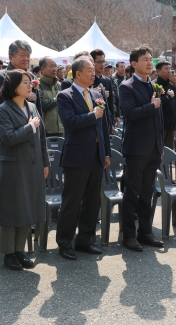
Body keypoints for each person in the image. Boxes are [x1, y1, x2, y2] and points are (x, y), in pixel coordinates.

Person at [55, 56, 110, 260]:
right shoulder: (65, 96)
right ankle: (65, 242)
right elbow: (69, 122)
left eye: (93, 69)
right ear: (78, 73)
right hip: (77, 155)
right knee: (72, 201)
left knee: (92, 201)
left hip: (96, 155)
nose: (94, 72)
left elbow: (103, 125)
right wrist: (91, 115)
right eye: (89, 69)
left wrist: (106, 152)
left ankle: (85, 239)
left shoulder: (97, 93)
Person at [0, 69, 48, 270]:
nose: (30, 85)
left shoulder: (32, 106)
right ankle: (8, 253)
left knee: (27, 207)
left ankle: (19, 251)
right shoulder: (3, 110)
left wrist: (45, 163)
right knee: (11, 210)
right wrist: (29, 127)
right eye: (25, 82)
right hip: (13, 166)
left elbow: (41, 138)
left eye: (30, 82)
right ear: (13, 86)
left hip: (33, 165)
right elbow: (8, 137)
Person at [118, 47, 165, 251]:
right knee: (132, 193)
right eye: (144, 59)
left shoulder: (153, 86)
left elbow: (159, 118)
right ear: (134, 64)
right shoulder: (126, 86)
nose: (149, 63)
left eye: (150, 59)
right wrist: (151, 106)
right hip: (136, 148)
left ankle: (145, 231)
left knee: (148, 192)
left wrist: (160, 144)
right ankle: (128, 235)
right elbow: (129, 113)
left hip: (153, 147)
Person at [0, 41, 42, 116]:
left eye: (28, 56)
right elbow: (0, 101)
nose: (26, 59)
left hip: (33, 123)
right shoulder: (0, 76)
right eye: (22, 55)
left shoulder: (31, 77)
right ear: (10, 57)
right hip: (11, 122)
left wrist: (40, 125)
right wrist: (25, 97)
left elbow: (38, 106)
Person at [90, 49, 118, 132]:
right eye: (99, 62)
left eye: (103, 61)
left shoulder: (107, 80)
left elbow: (110, 105)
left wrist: (111, 123)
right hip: (93, 121)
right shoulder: (87, 80)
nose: (102, 64)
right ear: (92, 62)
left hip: (106, 122)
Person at [155, 61, 176, 151]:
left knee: (169, 150)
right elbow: (157, 103)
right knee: (159, 150)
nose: (169, 71)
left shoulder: (171, 85)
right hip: (161, 125)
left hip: (171, 124)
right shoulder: (155, 85)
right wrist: (167, 96)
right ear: (158, 71)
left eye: (169, 68)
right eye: (166, 69)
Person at [38, 56, 64, 137]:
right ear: (42, 69)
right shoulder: (37, 85)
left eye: (55, 66)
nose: (54, 69)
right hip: (45, 131)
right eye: (51, 66)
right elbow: (40, 104)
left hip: (61, 129)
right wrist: (57, 99)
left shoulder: (59, 85)